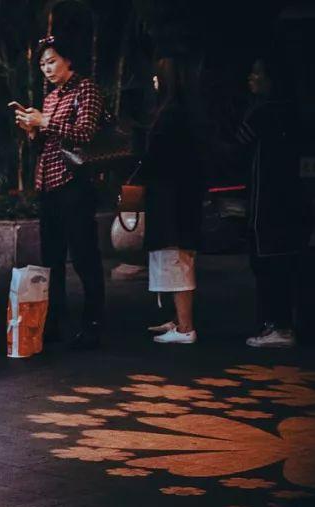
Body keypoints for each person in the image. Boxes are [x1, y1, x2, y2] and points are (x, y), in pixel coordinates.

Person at [16, 35, 105, 349]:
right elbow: (48, 143)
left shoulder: (87, 89)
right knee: (50, 259)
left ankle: (94, 322)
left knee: (84, 256)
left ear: (68, 59)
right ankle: (53, 322)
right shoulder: (52, 95)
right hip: (49, 184)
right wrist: (33, 130)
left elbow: (85, 132)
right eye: (42, 64)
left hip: (75, 183)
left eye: (51, 61)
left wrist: (46, 120)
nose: (46, 69)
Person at [236, 56, 310, 348]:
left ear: (270, 80)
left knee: (267, 261)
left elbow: (238, 143)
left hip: (267, 200)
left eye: (257, 74)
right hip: (290, 198)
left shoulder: (262, 113)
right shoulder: (294, 112)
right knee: (283, 261)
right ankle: (280, 323)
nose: (251, 79)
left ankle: (277, 325)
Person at [140, 58, 205, 345]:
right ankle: (178, 321)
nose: (154, 82)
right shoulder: (183, 113)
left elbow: (157, 158)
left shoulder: (170, 115)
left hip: (171, 200)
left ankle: (185, 327)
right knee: (175, 259)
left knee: (176, 260)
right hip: (179, 199)